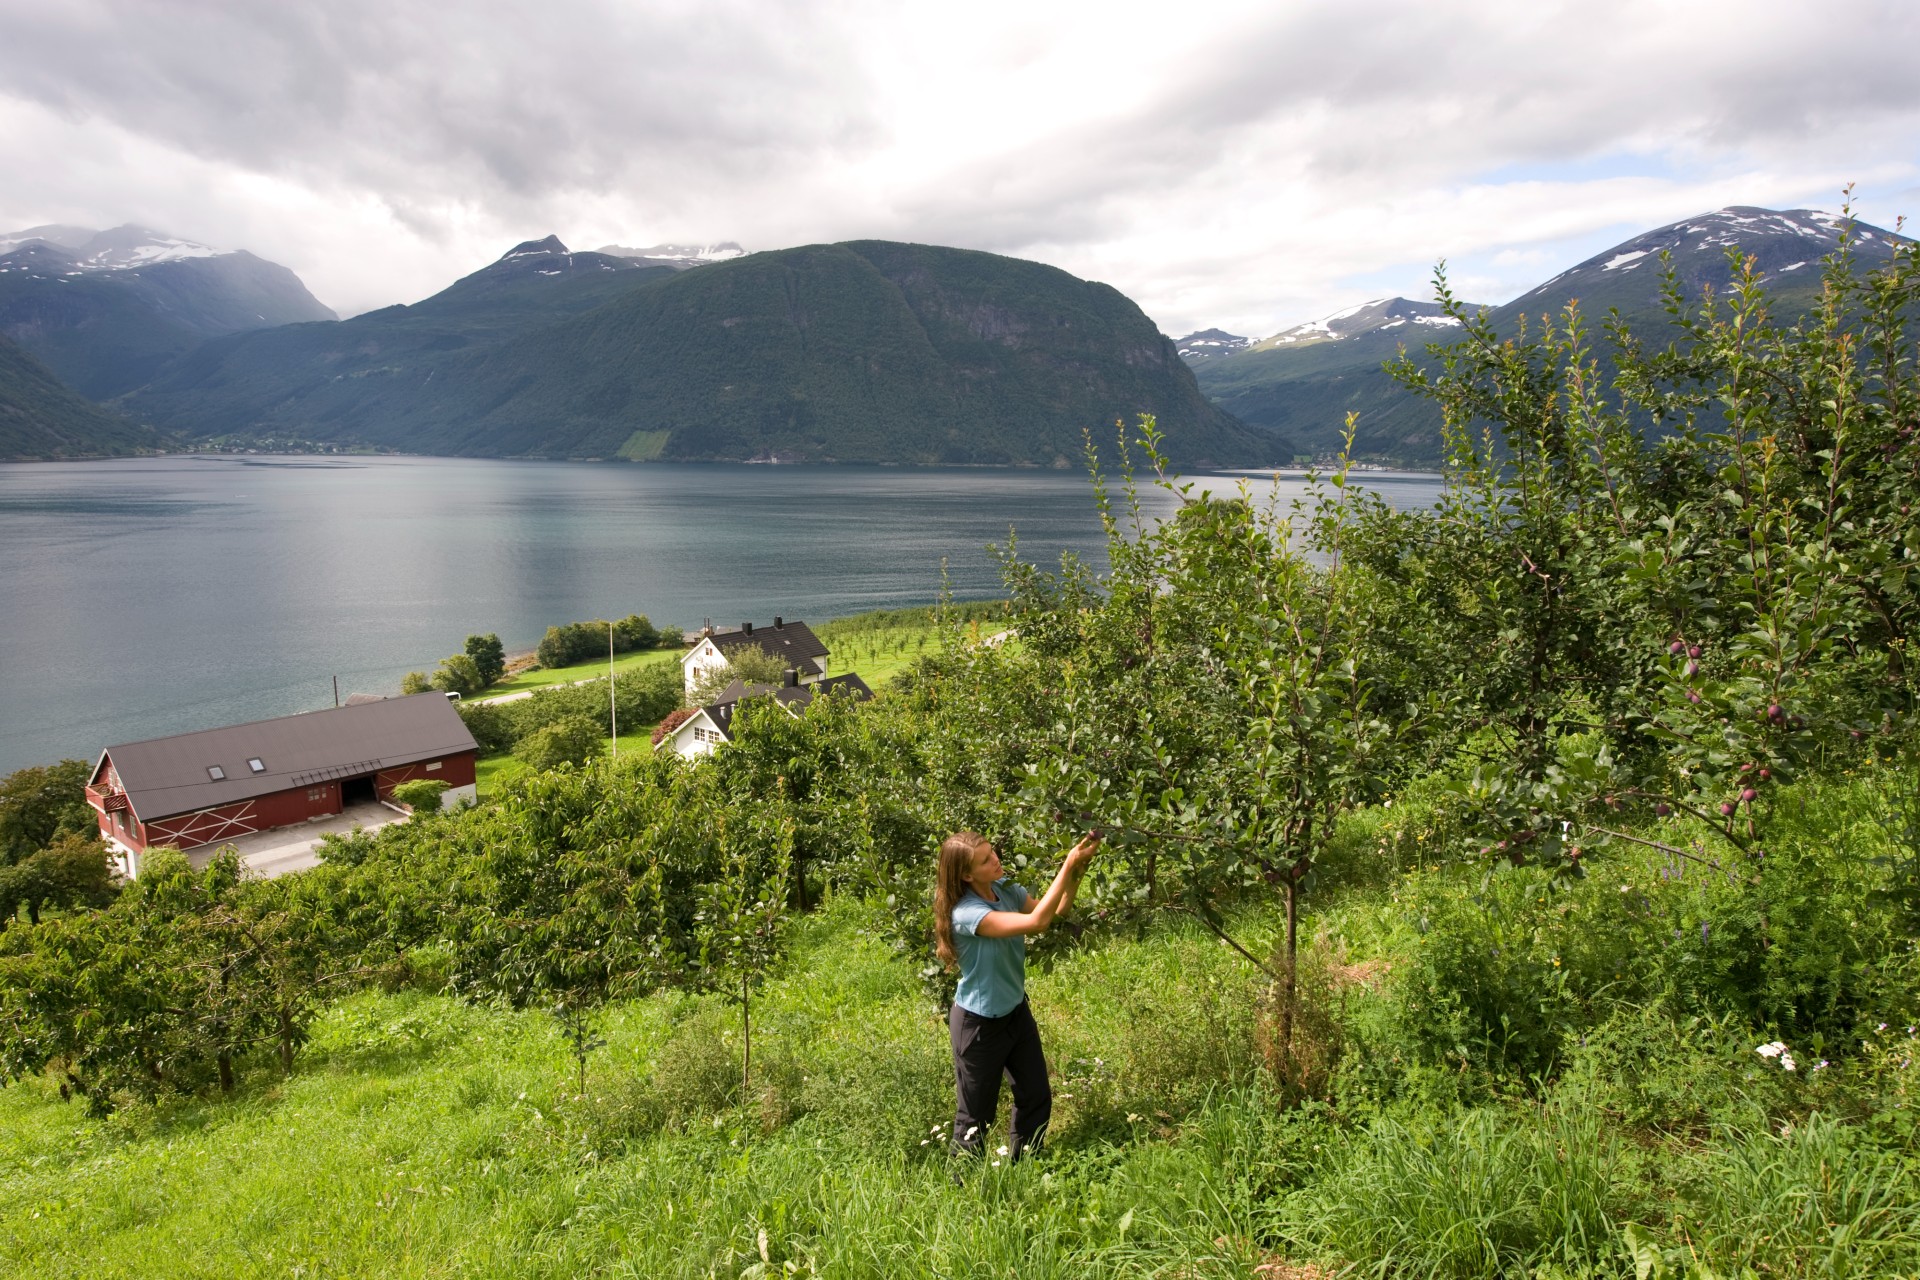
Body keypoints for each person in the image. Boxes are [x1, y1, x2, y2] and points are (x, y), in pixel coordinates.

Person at [933, 828, 1101, 1160]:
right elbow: (1037, 923)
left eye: (992, 851)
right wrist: (1066, 865)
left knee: (1036, 1095)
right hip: (978, 1026)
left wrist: (1078, 871)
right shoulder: (967, 914)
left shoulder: (1005, 889)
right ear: (967, 875)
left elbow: (1056, 912)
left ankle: (1026, 1164)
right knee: (975, 1117)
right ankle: (962, 1188)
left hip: (1015, 1013)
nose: (996, 859)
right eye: (985, 860)